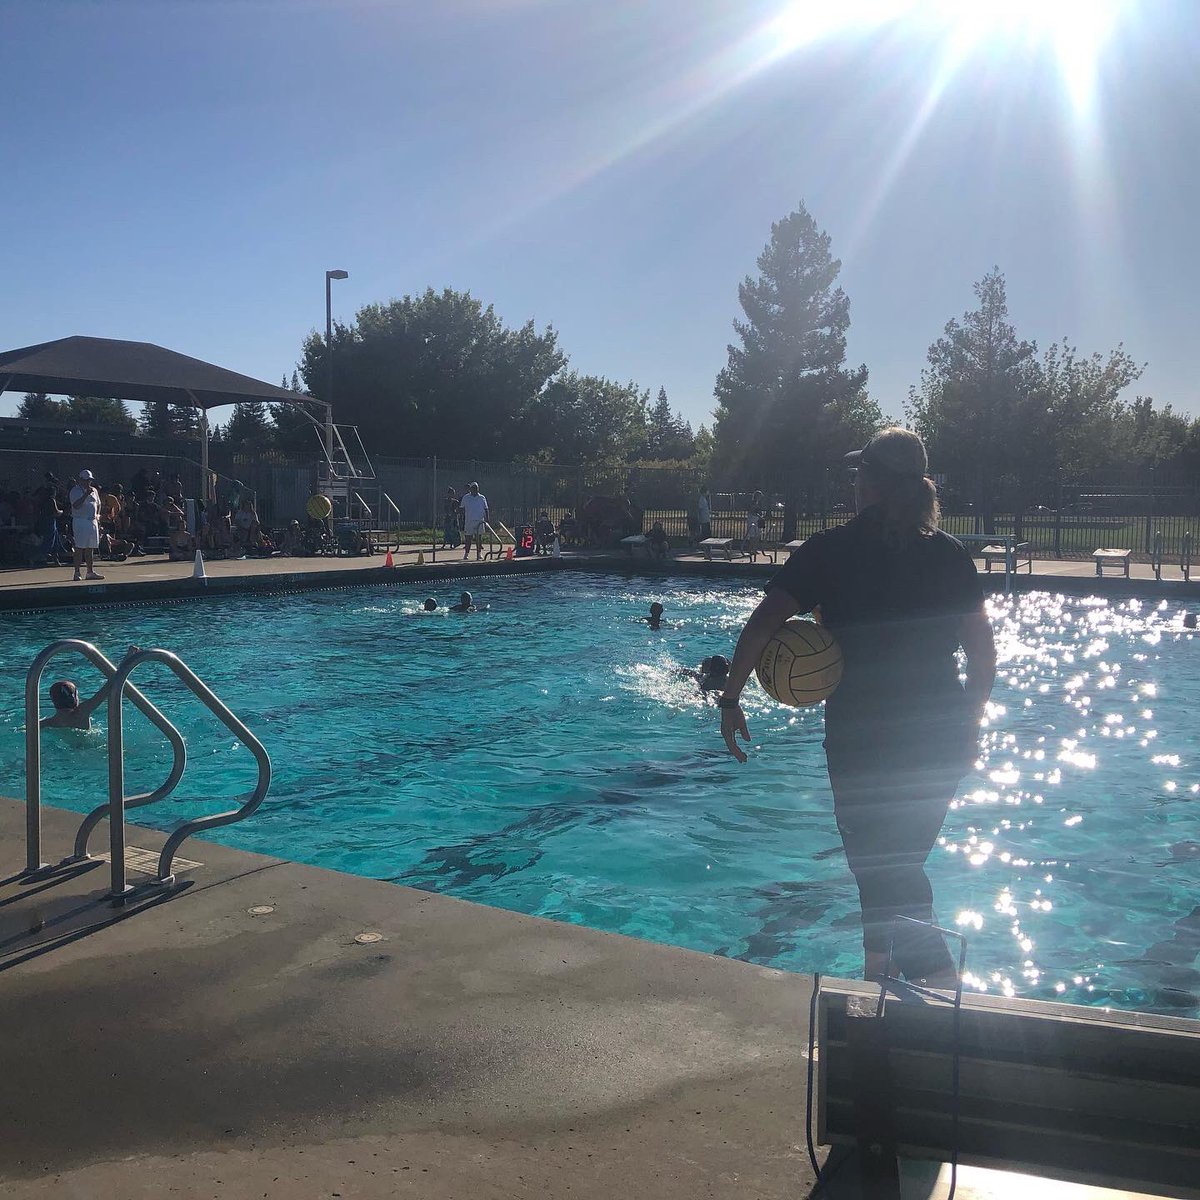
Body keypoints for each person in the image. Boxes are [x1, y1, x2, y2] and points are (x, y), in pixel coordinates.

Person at [717, 427, 996, 989]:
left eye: (857, 473)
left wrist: (732, 695)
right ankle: (879, 982)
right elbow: (983, 654)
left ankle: (944, 995)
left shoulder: (832, 550)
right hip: (937, 737)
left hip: (861, 737)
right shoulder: (946, 555)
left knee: (884, 869)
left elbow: (766, 619)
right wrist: (968, 721)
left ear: (868, 481)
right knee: (892, 866)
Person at [68, 470, 104, 581]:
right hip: (80, 521)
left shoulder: (94, 490)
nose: (88, 482)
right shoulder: (75, 491)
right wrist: (85, 495)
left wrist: (97, 515)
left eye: (90, 480)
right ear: (81, 480)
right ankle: (77, 572)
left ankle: (90, 571)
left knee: (90, 548)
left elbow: (98, 504)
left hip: (92, 522)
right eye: (86, 480)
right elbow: (76, 505)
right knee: (79, 547)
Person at [40, 678, 111, 731]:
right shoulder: (81, 713)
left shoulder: (46, 723)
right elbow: (105, 691)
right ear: (74, 699)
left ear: (53, 700)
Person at [460, 482, 489, 561]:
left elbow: (486, 509)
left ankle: (479, 554)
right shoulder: (466, 497)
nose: (475, 490)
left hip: (479, 521)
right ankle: (466, 554)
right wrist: (461, 518)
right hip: (469, 521)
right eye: (474, 488)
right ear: (471, 489)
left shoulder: (482, 497)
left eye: (477, 488)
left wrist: (487, 519)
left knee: (478, 539)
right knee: (468, 539)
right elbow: (462, 508)